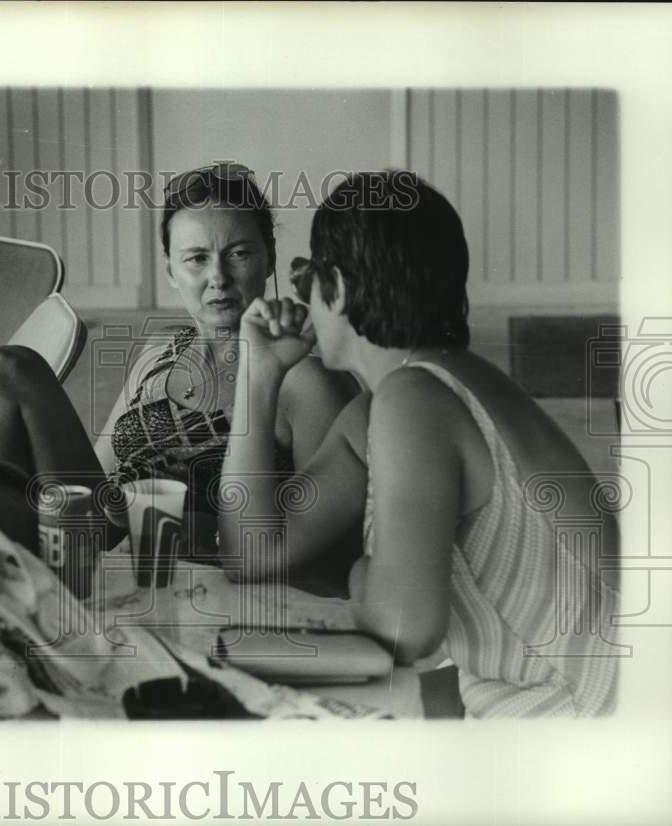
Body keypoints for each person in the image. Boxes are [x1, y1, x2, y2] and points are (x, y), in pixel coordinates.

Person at [219, 170, 620, 717]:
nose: (301, 295)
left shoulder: (416, 398)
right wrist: (259, 376)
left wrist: (362, 573)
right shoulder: (400, 397)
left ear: (336, 286)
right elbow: (251, 551)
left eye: (306, 274)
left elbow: (405, 631)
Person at [0, 163, 361, 551]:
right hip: (105, 531)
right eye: (196, 258)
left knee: (5, 371)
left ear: (269, 258)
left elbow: (323, 539)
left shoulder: (304, 380)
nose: (217, 277)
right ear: (171, 271)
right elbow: (100, 481)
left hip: (178, 560)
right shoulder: (159, 355)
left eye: (238, 254)